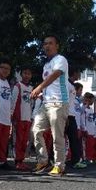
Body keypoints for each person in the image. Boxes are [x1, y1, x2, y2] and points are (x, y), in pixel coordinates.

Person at [30, 35, 70, 176]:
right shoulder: (46, 65)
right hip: (46, 103)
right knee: (35, 130)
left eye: (50, 43)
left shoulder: (61, 60)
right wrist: (41, 93)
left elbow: (55, 75)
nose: (47, 46)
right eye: (45, 44)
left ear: (56, 45)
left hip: (58, 103)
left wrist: (39, 87)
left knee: (56, 135)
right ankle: (43, 160)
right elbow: (49, 83)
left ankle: (59, 166)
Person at [11, 66, 33, 171]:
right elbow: (13, 102)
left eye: (29, 74)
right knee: (18, 141)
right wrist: (12, 116)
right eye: (25, 73)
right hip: (19, 118)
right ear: (21, 74)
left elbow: (31, 104)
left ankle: (22, 161)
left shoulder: (31, 88)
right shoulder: (17, 86)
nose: (27, 76)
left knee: (25, 141)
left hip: (27, 118)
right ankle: (17, 161)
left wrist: (32, 117)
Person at [65, 69, 86, 169]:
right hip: (65, 115)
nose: (80, 74)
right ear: (74, 72)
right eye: (79, 72)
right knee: (60, 138)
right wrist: (65, 115)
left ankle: (75, 161)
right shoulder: (66, 84)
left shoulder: (73, 85)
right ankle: (53, 159)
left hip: (72, 115)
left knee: (74, 139)